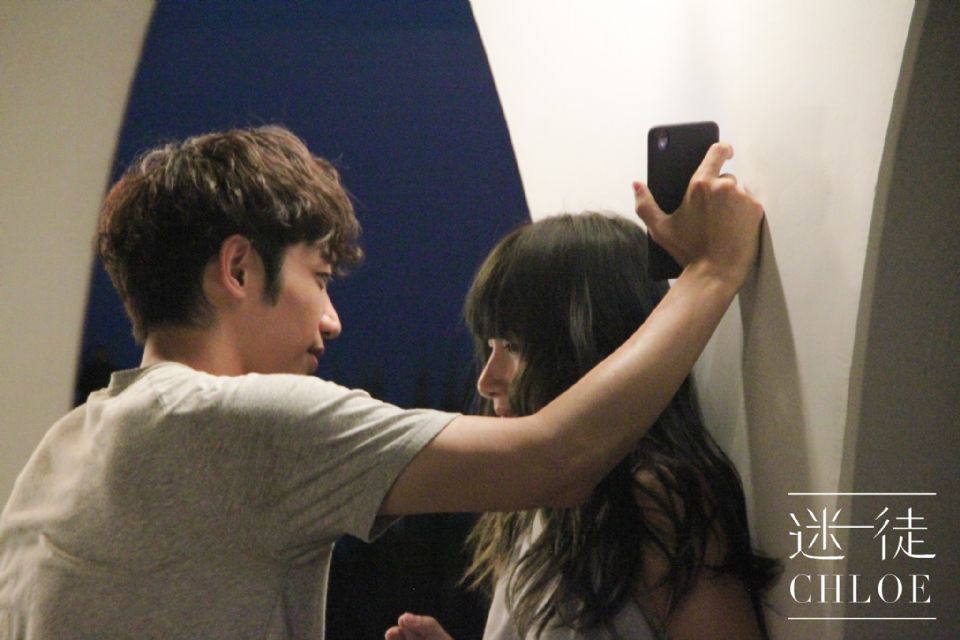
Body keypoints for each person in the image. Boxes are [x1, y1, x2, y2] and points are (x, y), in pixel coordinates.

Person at [0, 126, 763, 639]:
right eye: (318, 277)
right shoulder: (239, 422)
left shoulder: (61, 451)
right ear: (238, 269)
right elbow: (554, 458)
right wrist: (713, 272)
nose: (332, 320)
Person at [386, 213, 779, 640]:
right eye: (490, 346)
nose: (487, 379)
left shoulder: (652, 500)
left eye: (514, 347)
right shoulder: (533, 506)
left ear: (586, 348)